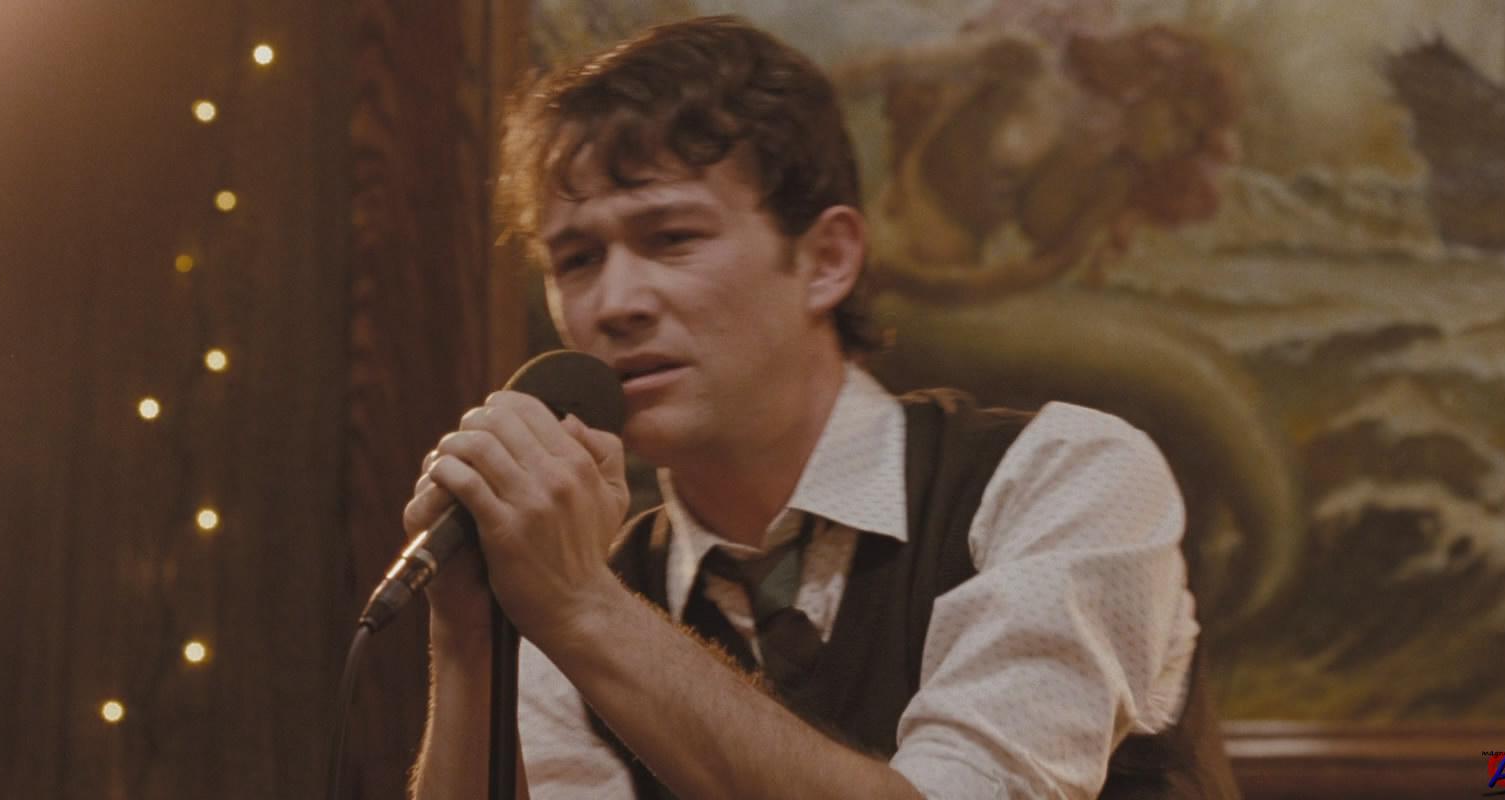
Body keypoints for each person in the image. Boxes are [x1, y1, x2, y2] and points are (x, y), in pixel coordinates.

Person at [403, 15, 1235, 799]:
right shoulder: (595, 582)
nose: (615, 303)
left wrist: (582, 609)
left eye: (672, 238)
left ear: (829, 259)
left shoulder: (1067, 476)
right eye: (577, 259)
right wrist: (471, 639)